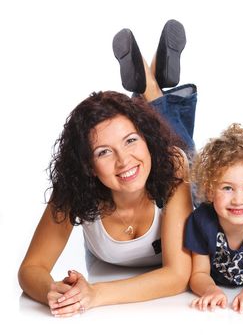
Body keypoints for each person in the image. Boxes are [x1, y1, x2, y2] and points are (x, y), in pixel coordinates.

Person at [18, 19, 196, 316]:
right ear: (87, 164)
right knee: (174, 132)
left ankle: (149, 85)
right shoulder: (75, 189)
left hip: (179, 164)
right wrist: (52, 290)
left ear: (147, 141)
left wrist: (95, 294)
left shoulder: (173, 165)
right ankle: (150, 82)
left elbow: (178, 276)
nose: (124, 160)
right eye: (103, 152)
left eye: (130, 141)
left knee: (184, 148)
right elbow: (31, 269)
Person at [185, 123, 243, 313]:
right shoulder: (201, 220)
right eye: (227, 188)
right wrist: (210, 290)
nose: (238, 200)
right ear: (211, 191)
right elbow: (199, 273)